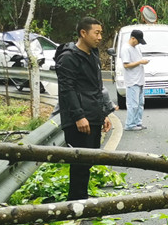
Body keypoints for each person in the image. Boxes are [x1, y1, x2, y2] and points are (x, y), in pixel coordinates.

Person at [54, 17, 115, 201]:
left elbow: (97, 87)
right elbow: (67, 90)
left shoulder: (93, 54)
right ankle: (76, 202)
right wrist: (79, 116)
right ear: (83, 33)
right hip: (78, 120)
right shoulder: (68, 58)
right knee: (79, 163)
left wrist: (103, 114)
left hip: (93, 115)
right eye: (96, 33)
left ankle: (81, 199)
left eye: (101, 33)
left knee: (89, 160)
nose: (100, 37)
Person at [121, 29, 150, 131]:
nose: (138, 43)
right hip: (132, 80)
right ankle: (130, 124)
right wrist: (140, 62)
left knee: (140, 104)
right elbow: (126, 65)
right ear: (133, 38)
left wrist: (142, 61)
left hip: (140, 79)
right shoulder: (126, 48)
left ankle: (138, 122)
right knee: (133, 104)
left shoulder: (137, 48)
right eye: (138, 41)